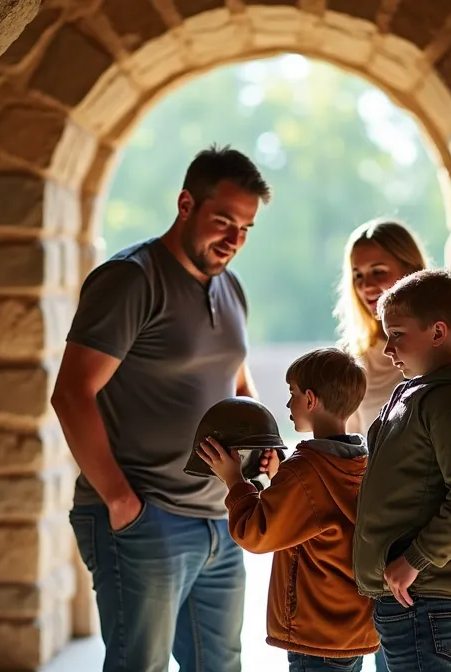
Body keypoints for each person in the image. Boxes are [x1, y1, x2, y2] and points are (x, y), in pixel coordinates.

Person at [51, 145, 270, 672]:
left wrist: (262, 448)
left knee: (220, 667)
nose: (234, 240)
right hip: (147, 518)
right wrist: (122, 503)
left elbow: (235, 380)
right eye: (223, 222)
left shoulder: (231, 287)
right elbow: (71, 394)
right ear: (185, 204)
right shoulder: (131, 279)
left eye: (245, 229)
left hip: (221, 520)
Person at [337, 220, 451, 671]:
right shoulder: (398, 373)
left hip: (428, 572)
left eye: (378, 269)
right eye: (358, 275)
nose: (367, 284)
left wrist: (431, 551)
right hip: (400, 569)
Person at [195, 347, 380, 671]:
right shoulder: (360, 464)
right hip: (350, 631)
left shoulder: (305, 471)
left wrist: (235, 480)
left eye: (292, 393)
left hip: (315, 634)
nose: (287, 403)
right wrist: (278, 477)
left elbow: (256, 532)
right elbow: (317, 515)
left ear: (310, 400)